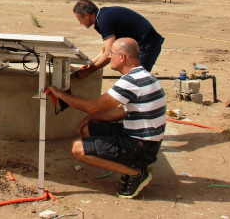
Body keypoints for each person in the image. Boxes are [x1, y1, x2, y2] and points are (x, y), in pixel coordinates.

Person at [47, 37, 166, 199]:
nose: (109, 56)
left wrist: (60, 94)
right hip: (144, 141)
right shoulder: (143, 76)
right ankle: (130, 165)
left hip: (142, 146)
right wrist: (91, 118)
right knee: (88, 128)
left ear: (122, 57)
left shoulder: (131, 81)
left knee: (77, 148)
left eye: (112, 53)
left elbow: (92, 106)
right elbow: (121, 112)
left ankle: (136, 172)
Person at [72, 0, 164, 79]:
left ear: (86, 15)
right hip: (141, 44)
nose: (80, 23)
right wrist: (90, 63)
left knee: (137, 79)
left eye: (79, 19)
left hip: (147, 45)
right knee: (131, 78)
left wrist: (89, 71)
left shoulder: (103, 20)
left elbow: (109, 53)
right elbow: (106, 49)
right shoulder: (102, 16)